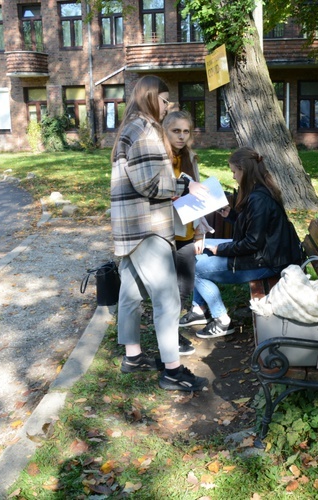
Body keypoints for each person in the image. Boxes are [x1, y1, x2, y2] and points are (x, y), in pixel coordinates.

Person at [110, 75, 208, 392]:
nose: (168, 108)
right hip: (147, 229)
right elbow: (151, 184)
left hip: (130, 229)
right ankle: (172, 370)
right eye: (165, 101)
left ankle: (133, 356)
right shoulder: (144, 130)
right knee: (166, 300)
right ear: (152, 98)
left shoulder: (131, 129)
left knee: (131, 294)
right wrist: (185, 184)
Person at [185, 147, 303, 339]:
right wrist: (231, 216)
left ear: (244, 171)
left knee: (194, 267)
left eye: (234, 172)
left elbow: (252, 242)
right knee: (197, 256)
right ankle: (199, 309)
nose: (233, 177)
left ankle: (221, 320)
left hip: (266, 263)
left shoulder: (259, 199)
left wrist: (220, 249)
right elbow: (255, 229)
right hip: (266, 256)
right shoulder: (260, 192)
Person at [162, 110, 214, 355]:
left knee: (185, 284)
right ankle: (169, 336)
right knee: (165, 287)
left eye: (186, 131)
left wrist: (200, 233)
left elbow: (200, 195)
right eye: (176, 131)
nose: (181, 136)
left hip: (186, 230)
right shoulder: (158, 158)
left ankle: (172, 332)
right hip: (162, 231)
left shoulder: (190, 157)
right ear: (165, 131)